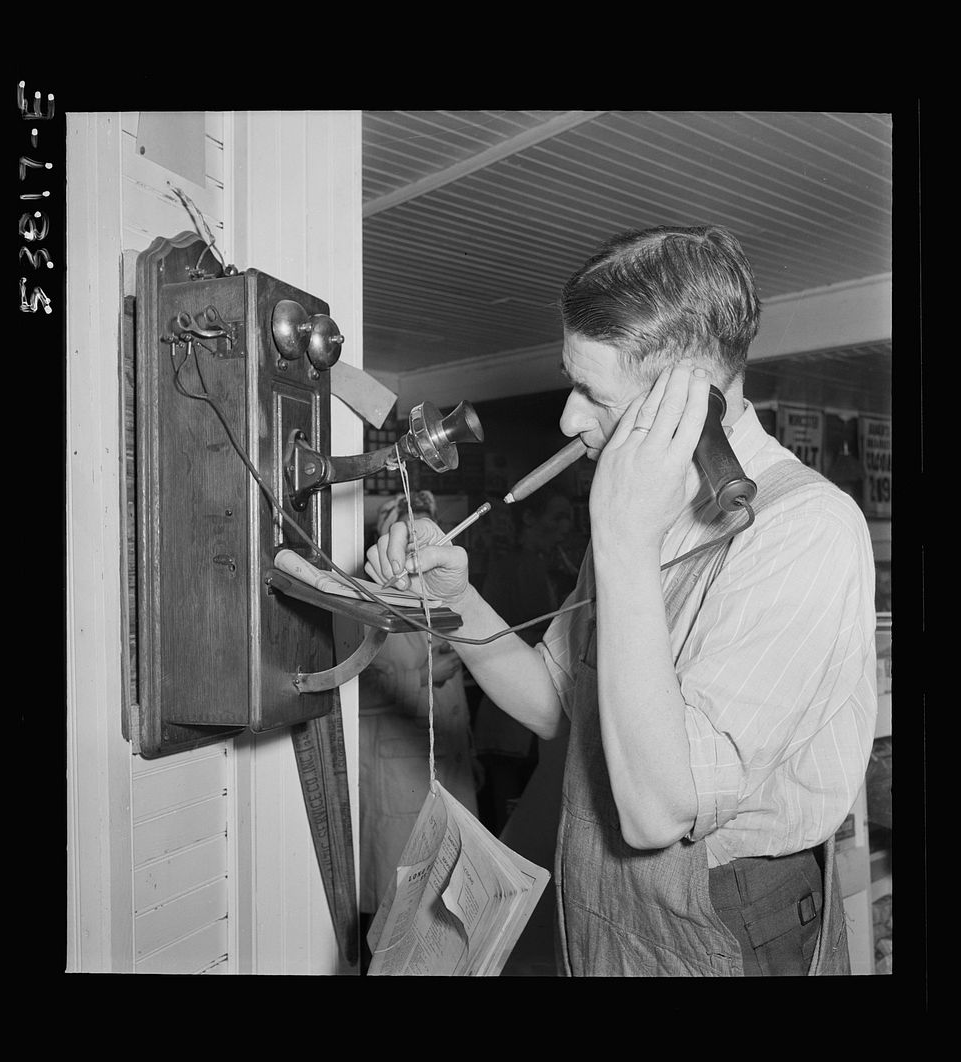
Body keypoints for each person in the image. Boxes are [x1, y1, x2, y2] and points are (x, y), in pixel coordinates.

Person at [365, 224, 877, 976]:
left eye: (592, 393)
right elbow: (553, 707)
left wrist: (624, 541)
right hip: (602, 893)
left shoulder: (807, 529)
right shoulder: (649, 513)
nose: (570, 419)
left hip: (728, 915)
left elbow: (658, 810)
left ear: (690, 399)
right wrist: (460, 597)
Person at [357, 492, 480, 933]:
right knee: (401, 908)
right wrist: (424, 676)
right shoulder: (368, 603)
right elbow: (353, 695)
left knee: (451, 905)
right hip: (398, 777)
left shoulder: (443, 600)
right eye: (407, 538)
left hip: (450, 768)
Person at [474, 488, 573, 833]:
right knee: (515, 820)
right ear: (530, 519)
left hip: (533, 724)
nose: (565, 527)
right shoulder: (517, 566)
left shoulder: (548, 566)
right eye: (557, 517)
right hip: (513, 714)